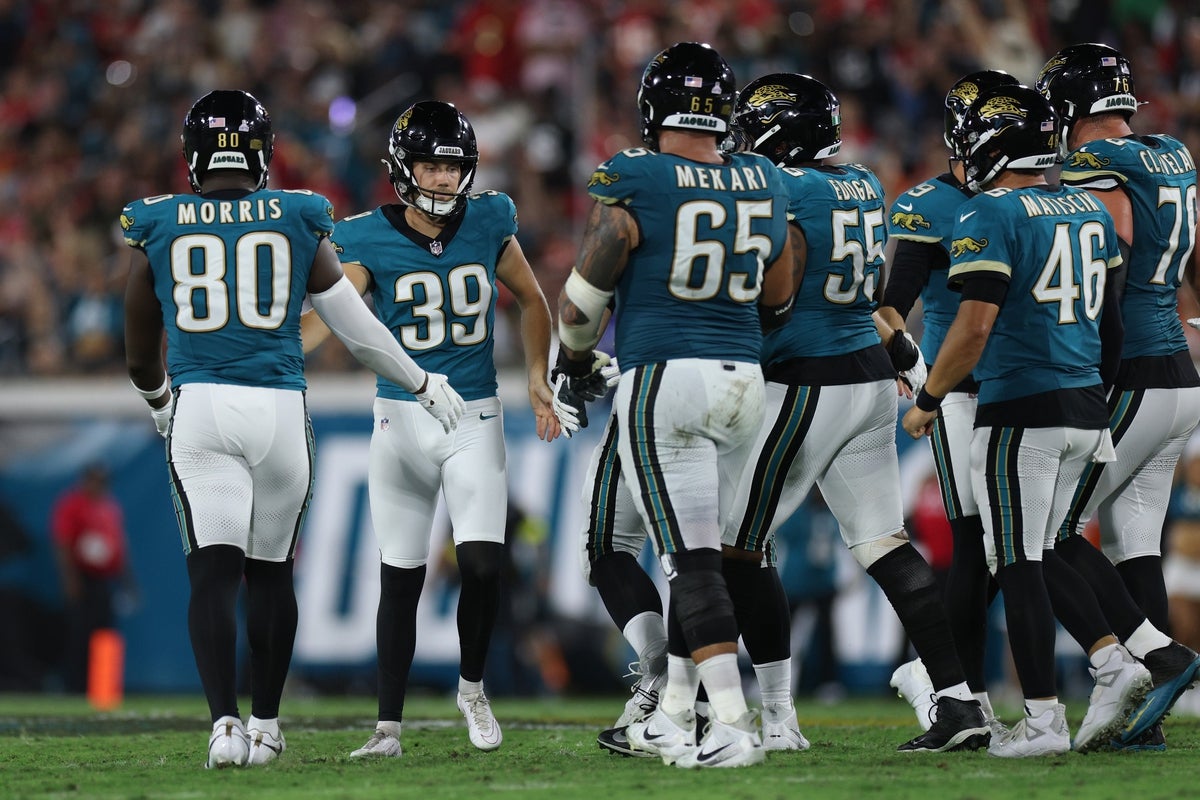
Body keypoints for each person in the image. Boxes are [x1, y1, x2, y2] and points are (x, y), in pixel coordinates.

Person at [123, 90, 465, 769]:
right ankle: (268, 725)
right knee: (271, 575)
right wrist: (422, 380)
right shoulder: (296, 215)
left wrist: (159, 399)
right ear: (262, 152)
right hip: (279, 410)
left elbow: (137, 348)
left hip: (202, 408)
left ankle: (224, 724)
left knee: (212, 577)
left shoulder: (157, 222)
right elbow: (355, 326)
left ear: (194, 155)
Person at [723, 71, 989, 754]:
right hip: (868, 381)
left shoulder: (781, 188)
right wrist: (904, 357)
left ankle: (774, 716)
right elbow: (869, 297)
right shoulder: (864, 183)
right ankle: (959, 700)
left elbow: (774, 290)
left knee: (734, 550)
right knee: (885, 544)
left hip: (803, 381)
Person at [554, 41, 795, 769]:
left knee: (688, 563)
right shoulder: (764, 177)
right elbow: (779, 294)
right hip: (744, 382)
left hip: (666, 376)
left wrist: (571, 357)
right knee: (709, 559)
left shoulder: (636, 173)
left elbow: (594, 275)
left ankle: (726, 722)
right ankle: (680, 711)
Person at [299, 100, 559, 758]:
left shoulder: (491, 219)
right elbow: (334, 313)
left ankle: (472, 687)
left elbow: (531, 296)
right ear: (402, 168)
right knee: (401, 577)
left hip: (474, 415)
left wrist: (535, 374)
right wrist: (273, 352)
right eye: (430, 165)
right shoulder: (362, 237)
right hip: (400, 419)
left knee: (481, 563)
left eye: (452, 166)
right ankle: (387, 727)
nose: (443, 178)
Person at [901, 83, 1148, 757]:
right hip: (1083, 405)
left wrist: (927, 401)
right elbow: (1115, 326)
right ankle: (1116, 660)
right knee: (1045, 553)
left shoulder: (989, 212)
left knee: (1016, 563)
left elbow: (973, 327)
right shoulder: (1088, 208)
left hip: (1019, 410)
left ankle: (1045, 719)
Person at [1037, 42, 1200, 749]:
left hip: (1131, 368)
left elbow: (1114, 248)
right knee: (1136, 542)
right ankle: (1150, 719)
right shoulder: (1172, 153)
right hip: (1178, 374)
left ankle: (1147, 662)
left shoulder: (1095, 163)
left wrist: (1084, 359)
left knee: (1045, 530)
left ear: (1071, 108)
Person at [877, 69, 1019, 734]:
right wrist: (916, 368)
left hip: (1031, 386)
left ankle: (950, 684)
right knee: (978, 543)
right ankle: (965, 692)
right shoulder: (930, 204)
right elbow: (887, 309)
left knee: (1011, 546)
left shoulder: (1032, 194)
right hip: (962, 394)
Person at [51, 462, 136, 694]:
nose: (98, 486)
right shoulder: (72, 505)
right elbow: (63, 543)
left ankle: (102, 687)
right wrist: (71, 580)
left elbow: (119, 546)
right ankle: (73, 686)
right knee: (79, 633)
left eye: (103, 481)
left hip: (103, 580)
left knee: (104, 633)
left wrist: (128, 582)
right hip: (82, 577)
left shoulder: (110, 507)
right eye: (94, 480)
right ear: (85, 480)